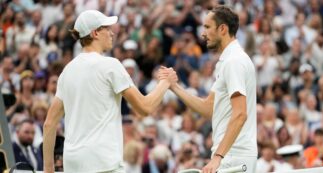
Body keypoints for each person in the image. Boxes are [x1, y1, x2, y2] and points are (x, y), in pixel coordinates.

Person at [43, 10, 177, 173]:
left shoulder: (67, 71)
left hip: (73, 163)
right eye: (107, 28)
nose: (112, 33)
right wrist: (165, 82)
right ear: (95, 33)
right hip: (103, 163)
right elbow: (144, 108)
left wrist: (48, 168)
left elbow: (49, 124)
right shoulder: (110, 65)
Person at [160, 5, 257, 173]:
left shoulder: (233, 61)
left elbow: (240, 114)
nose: (203, 33)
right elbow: (208, 108)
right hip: (230, 155)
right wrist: (174, 87)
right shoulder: (228, 60)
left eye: (207, 27)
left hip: (234, 156)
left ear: (223, 29)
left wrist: (218, 157)